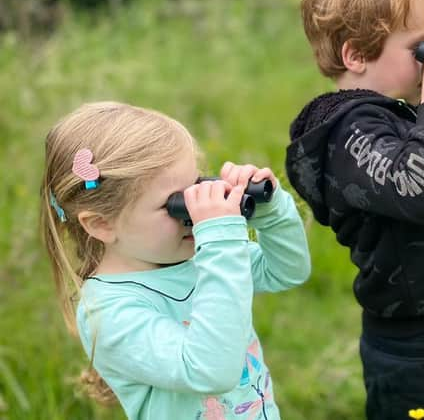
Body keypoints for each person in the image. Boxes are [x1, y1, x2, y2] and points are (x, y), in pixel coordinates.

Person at [285, 0, 424, 418]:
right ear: (356, 54)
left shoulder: (389, 112)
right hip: (411, 349)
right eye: (420, 48)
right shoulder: (349, 134)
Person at [40, 101, 311, 420]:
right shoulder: (109, 312)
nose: (193, 214)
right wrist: (220, 240)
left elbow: (287, 271)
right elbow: (211, 371)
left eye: (195, 187)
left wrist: (271, 214)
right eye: (175, 204)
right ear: (102, 224)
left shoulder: (196, 257)